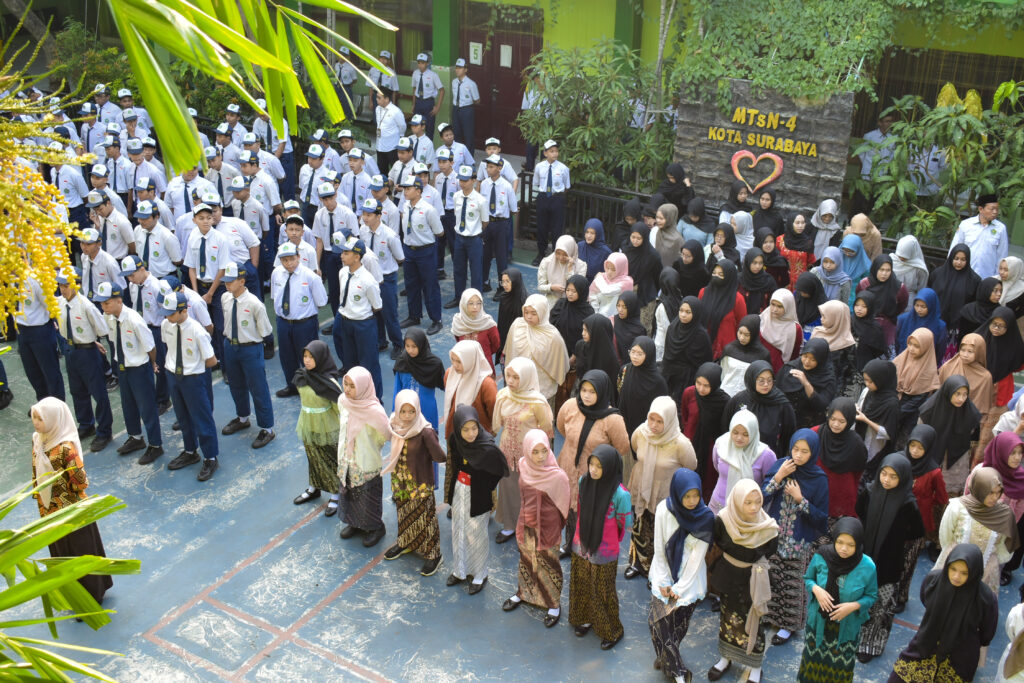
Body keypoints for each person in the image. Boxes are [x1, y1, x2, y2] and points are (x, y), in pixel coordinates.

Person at [30, 397, 113, 604]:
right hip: (50, 513)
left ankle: (92, 596)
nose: (36, 423)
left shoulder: (66, 448)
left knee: (80, 552)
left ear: (53, 419)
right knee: (62, 554)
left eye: (40, 418)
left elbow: (80, 482)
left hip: (73, 514)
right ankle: (73, 596)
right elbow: (35, 472)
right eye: (34, 417)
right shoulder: (37, 440)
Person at [890, 543, 998, 682]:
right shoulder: (934, 581)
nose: (956, 576)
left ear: (974, 573)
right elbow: (926, 600)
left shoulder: (985, 598)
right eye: (953, 569)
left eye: (964, 573)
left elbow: (987, 633)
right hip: (925, 645)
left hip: (959, 658)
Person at [762, 429, 829, 647]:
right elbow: (761, 497)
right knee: (771, 579)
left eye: (804, 451)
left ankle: (788, 625)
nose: (798, 455)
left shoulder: (819, 479)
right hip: (774, 538)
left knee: (793, 584)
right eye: (795, 449)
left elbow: (821, 518)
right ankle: (769, 615)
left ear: (813, 452)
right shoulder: (781, 466)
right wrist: (778, 476)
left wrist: (801, 500)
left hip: (799, 544)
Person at [855, 453, 924, 663]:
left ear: (902, 479)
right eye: (884, 473)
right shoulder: (869, 492)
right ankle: (854, 637)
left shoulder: (907, 504)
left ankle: (871, 644)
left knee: (881, 608)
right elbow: (859, 513)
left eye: (893, 477)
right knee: (859, 601)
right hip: (864, 559)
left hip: (889, 564)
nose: (886, 480)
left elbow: (917, 532)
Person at [708, 479, 779, 682]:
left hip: (753, 580)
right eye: (748, 502)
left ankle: (755, 666)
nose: (754, 507)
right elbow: (719, 541)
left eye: (758, 502)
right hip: (729, 575)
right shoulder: (723, 520)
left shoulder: (768, 528)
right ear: (737, 501)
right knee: (727, 618)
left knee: (754, 620)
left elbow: (770, 550)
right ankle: (725, 657)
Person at [647, 468, 713, 682]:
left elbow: (697, 558)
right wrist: (664, 581)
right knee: (657, 624)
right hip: (663, 574)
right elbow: (659, 547)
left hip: (689, 582)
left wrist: (679, 588)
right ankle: (678, 672)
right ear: (677, 493)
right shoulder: (663, 510)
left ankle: (667, 659)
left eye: (696, 495)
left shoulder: (705, 517)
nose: (692, 501)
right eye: (687, 496)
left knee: (677, 628)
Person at [556, 369, 630, 556]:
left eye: (592, 391)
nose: (586, 396)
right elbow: (561, 427)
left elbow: (622, 448)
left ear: (602, 392)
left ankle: (587, 549)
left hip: (594, 476)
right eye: (584, 390)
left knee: (590, 515)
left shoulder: (612, 419)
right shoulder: (570, 406)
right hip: (568, 468)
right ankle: (569, 544)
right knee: (569, 510)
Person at [798, 516, 878, 683]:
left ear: (858, 544)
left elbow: (871, 596)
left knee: (839, 671)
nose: (843, 548)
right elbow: (808, 578)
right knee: (812, 666)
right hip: (818, 625)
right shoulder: (821, 556)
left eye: (850, 545)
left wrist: (854, 606)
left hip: (845, 630)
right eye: (840, 542)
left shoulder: (867, 566)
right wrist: (816, 589)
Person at [568, 445, 633, 650]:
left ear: (610, 467)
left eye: (599, 466)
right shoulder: (584, 481)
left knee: (602, 589)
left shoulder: (620, 494)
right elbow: (581, 508)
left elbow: (624, 523)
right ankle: (584, 618)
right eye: (592, 464)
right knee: (582, 582)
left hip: (604, 550)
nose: (594, 470)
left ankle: (611, 630)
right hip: (581, 543)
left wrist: (608, 537)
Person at [503, 429, 569, 626]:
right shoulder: (524, 465)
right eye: (535, 452)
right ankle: (523, 593)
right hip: (526, 522)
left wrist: (554, 527)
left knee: (549, 563)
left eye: (544, 451)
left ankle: (553, 604)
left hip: (548, 526)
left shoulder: (557, 476)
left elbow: (564, 506)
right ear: (527, 450)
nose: (540, 457)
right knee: (526, 560)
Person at [626, 396, 697, 581]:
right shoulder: (641, 433)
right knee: (640, 526)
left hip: (664, 493)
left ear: (670, 420)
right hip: (642, 487)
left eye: (660, 421)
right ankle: (638, 563)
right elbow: (635, 449)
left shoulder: (680, 443)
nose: (654, 425)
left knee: (662, 532)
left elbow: (691, 466)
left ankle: (657, 572)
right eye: (652, 419)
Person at [95, 277, 164, 464]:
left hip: (139, 368)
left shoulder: (134, 320)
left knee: (147, 407)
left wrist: (152, 364)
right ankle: (135, 437)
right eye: (102, 303)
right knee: (128, 405)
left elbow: (150, 347)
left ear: (119, 301)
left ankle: (155, 445)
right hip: (123, 366)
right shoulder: (109, 318)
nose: (103, 307)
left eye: (107, 303)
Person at [382, 389, 446, 577]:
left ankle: (434, 554)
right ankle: (406, 542)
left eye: (412, 411)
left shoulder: (425, 431)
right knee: (404, 512)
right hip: (401, 481)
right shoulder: (395, 425)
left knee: (426, 517)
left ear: (418, 409)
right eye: (403, 411)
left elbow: (439, 456)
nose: (407, 416)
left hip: (420, 482)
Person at [492, 358, 554, 543]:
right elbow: (497, 423)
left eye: (516, 377)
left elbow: (546, 430)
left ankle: (531, 526)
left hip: (530, 456)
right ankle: (509, 525)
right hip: (507, 452)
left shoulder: (537, 402)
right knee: (508, 489)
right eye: (508, 376)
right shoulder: (503, 396)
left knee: (531, 491)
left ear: (526, 377)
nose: (510, 381)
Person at [446, 405, 508, 594]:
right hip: (460, 490)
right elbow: (454, 464)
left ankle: (480, 574)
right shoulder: (455, 441)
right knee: (458, 529)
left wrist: (485, 487)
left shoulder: (487, 448)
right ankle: (460, 570)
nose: (471, 433)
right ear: (458, 429)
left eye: (474, 428)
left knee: (477, 534)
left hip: (478, 495)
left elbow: (498, 471)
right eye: (465, 429)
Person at [158, 291, 219, 481]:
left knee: (202, 418)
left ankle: (210, 457)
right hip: (173, 375)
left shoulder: (197, 331)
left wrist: (193, 368)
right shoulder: (166, 325)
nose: (167, 317)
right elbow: (169, 346)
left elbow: (211, 360)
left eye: (171, 313)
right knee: (183, 417)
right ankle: (190, 451)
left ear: (183, 310)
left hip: (193, 378)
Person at [54, 268, 113, 452]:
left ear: (76, 285)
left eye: (66, 285)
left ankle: (104, 431)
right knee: (77, 391)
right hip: (70, 349)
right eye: (60, 285)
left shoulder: (86, 306)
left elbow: (102, 329)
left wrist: (93, 341)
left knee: (98, 393)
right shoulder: (60, 302)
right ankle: (86, 424)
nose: (63, 289)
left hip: (87, 352)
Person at [218, 262, 275, 449]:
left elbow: (265, 330)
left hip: (250, 348)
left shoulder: (254, 304)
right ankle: (242, 418)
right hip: (230, 346)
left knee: (258, 388)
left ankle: (267, 428)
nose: (227, 284)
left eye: (231, 281)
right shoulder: (225, 298)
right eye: (225, 281)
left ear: (242, 281)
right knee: (236, 385)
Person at [336, 366, 390, 547]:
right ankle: (355, 523)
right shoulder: (342, 401)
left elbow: (384, 435)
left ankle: (376, 527)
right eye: (346, 384)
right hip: (347, 459)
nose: (348, 389)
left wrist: (367, 447)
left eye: (353, 386)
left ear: (363, 387)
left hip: (365, 460)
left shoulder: (374, 411)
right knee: (350, 493)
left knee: (368, 495)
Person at [291, 341, 342, 514]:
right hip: (307, 424)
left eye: (311, 357)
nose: (306, 360)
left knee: (330, 461)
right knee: (312, 457)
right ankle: (314, 487)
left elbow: (340, 408)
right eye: (305, 356)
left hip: (326, 428)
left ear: (321, 358)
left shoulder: (329, 383)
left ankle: (336, 494)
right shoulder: (301, 377)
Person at [271, 242, 327, 398]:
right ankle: (293, 386)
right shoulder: (276, 273)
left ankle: (314, 387)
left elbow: (321, 301)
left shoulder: (310, 276)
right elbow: (275, 296)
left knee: (309, 357)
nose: (288, 263)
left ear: (298, 257)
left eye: (291, 259)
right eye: (284, 260)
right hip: (283, 322)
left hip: (304, 324)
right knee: (287, 356)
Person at [333, 236, 384, 400]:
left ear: (357, 257)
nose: (342, 256)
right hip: (346, 322)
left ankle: (375, 399)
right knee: (350, 363)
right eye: (342, 252)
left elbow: (377, 305)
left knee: (369, 365)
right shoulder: (342, 273)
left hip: (363, 325)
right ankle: (354, 397)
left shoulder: (368, 280)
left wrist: (360, 313)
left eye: (346, 253)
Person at [920, 375, 982, 496]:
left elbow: (973, 436)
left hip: (957, 460)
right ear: (948, 391)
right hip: (931, 455)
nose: (961, 399)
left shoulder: (970, 412)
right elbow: (921, 435)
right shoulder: (930, 410)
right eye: (957, 394)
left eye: (965, 394)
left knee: (950, 494)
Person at [358, 198, 404, 360]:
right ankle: (380, 341)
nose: (365, 218)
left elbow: (400, 257)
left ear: (379, 216)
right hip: (369, 278)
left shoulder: (390, 235)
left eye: (369, 215)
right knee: (374, 311)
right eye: (364, 214)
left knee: (389, 313)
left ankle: (398, 344)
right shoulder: (363, 230)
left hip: (386, 279)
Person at [504, 294, 570, 402]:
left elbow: (559, 365)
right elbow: (510, 352)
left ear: (543, 312)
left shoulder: (552, 336)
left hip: (542, 390)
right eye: (526, 312)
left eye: (534, 313)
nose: (529, 317)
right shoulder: (517, 326)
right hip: (517, 386)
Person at [709, 410, 778, 513]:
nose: (739, 438)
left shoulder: (765, 455)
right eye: (735, 432)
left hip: (749, 510)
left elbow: (770, 484)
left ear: (753, 433)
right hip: (719, 505)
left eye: (746, 434)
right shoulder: (721, 445)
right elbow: (716, 466)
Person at [400, 177, 444, 336]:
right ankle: (414, 315)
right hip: (409, 250)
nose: (405, 191)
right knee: (411, 284)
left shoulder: (428, 210)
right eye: (404, 189)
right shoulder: (405, 206)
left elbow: (439, 232)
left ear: (418, 191)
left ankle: (436, 319)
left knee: (430, 285)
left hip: (425, 251)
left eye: (408, 188)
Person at [979, 432, 1024, 585]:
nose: (1017, 457)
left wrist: (1004, 528)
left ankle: (1005, 570)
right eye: (1012, 453)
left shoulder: (1021, 479)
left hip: (1004, 530)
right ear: (1001, 452)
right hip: (979, 526)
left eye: (1020, 453)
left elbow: (1018, 511)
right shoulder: (983, 473)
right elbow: (969, 498)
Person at [817, 398, 868, 522]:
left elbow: (859, 471)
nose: (835, 424)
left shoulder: (856, 443)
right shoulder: (817, 433)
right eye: (833, 419)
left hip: (842, 497)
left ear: (850, 420)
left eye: (841, 421)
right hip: (818, 491)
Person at [446, 164, 487, 304]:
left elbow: (485, 221)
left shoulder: (480, 200)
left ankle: (476, 301)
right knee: (458, 269)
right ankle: (459, 297)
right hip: (459, 238)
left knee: (476, 272)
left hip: (474, 240)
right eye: (460, 180)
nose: (462, 183)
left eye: (465, 180)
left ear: (473, 180)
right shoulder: (456, 196)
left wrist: (474, 231)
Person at [930, 244, 981, 352]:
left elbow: (974, 304)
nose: (959, 262)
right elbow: (930, 294)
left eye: (963, 259)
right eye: (956, 258)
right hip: (936, 321)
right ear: (951, 257)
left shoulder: (974, 280)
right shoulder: (938, 274)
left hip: (958, 327)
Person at [660, 296, 713, 400]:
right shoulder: (673, 328)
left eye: (688, 312)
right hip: (670, 377)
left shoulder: (701, 335)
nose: (683, 315)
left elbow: (705, 364)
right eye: (681, 310)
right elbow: (667, 357)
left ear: (696, 313)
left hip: (690, 380)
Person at [777, 337, 836, 429]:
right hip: (786, 419)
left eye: (813, 359)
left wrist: (806, 384)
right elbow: (778, 391)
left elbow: (821, 404)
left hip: (809, 424)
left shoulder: (827, 378)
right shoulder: (790, 368)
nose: (807, 362)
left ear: (821, 360)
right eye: (805, 356)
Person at [893, 328, 940, 443]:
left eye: (917, 346)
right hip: (894, 405)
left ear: (925, 347)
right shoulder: (902, 358)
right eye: (910, 344)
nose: (911, 349)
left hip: (910, 415)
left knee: (902, 442)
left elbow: (918, 399)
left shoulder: (928, 370)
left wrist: (898, 413)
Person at [479, 155, 518, 294]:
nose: (488, 169)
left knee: (501, 257)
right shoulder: (484, 184)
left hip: (501, 224)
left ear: (499, 168)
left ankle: (502, 287)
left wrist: (503, 218)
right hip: (487, 223)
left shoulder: (506, 186)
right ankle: (484, 282)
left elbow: (513, 209)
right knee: (485, 255)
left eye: (491, 167)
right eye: (487, 167)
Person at [939, 333, 994, 427]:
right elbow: (939, 394)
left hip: (967, 422)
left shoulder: (985, 377)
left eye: (970, 351)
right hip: (944, 416)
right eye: (963, 350)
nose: (965, 355)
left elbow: (982, 408)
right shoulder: (948, 366)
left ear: (979, 352)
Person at [856, 359, 902, 467]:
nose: (867, 384)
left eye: (871, 381)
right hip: (861, 437)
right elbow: (861, 406)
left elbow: (888, 433)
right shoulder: (867, 391)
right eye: (865, 380)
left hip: (876, 446)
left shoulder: (891, 404)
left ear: (881, 380)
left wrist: (866, 420)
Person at [531, 139, 571, 265]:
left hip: (557, 198)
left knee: (557, 229)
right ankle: (541, 253)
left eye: (556, 151)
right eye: (552, 151)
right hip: (543, 198)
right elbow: (537, 182)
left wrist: (556, 195)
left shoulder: (563, 168)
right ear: (545, 153)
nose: (555, 154)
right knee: (541, 227)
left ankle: (556, 254)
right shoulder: (539, 167)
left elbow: (566, 186)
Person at [950, 193, 1007, 279]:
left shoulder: (1001, 228)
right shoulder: (966, 225)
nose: (995, 212)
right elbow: (954, 249)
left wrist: (996, 278)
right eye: (992, 209)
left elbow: (1002, 255)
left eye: (997, 209)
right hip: (963, 276)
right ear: (981, 209)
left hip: (986, 278)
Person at [700, 261, 746, 358]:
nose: (716, 277)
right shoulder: (703, 292)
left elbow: (741, 324)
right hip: (704, 345)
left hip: (726, 349)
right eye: (714, 273)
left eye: (721, 274)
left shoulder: (737, 299)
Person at [811, 300, 857, 396]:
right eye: (821, 316)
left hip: (832, 387)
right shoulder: (817, 332)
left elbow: (848, 373)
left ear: (836, 319)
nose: (821, 319)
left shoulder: (847, 343)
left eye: (825, 317)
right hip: (813, 381)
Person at [719, 315, 771, 396]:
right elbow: (723, 373)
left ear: (754, 334)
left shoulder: (763, 355)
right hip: (726, 393)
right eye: (740, 332)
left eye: (746, 335)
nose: (742, 338)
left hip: (748, 397)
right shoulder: (729, 349)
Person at [625, 224, 664, 331]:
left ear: (645, 238)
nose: (635, 241)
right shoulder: (626, 249)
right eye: (633, 237)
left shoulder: (653, 255)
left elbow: (658, 276)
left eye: (639, 238)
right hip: (627, 291)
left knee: (643, 327)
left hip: (646, 293)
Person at [537, 235, 587, 309]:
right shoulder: (546, 262)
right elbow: (540, 287)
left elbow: (578, 288)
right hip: (551, 304)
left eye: (565, 254)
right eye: (558, 253)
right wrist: (551, 287)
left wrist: (570, 269)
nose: (560, 257)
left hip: (572, 305)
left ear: (571, 251)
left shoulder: (581, 266)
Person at [895, 288, 947, 358]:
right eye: (917, 305)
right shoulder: (903, 320)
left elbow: (940, 351)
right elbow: (897, 343)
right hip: (904, 359)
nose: (919, 310)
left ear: (931, 306)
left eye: (923, 307)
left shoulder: (940, 326)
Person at [759, 288, 802, 371]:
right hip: (759, 365)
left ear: (788, 307)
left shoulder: (795, 329)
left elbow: (795, 355)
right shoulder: (763, 318)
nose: (774, 310)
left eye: (780, 306)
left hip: (779, 370)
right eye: (772, 304)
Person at [777, 212, 816, 288]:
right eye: (797, 223)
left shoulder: (808, 242)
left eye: (803, 223)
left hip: (800, 282)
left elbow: (810, 262)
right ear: (790, 223)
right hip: (783, 280)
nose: (800, 226)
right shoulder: (780, 240)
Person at [852, 292, 888, 374]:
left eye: (864, 306)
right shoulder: (850, 321)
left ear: (871, 307)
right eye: (857, 305)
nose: (859, 309)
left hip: (866, 364)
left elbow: (879, 349)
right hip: (849, 364)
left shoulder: (875, 328)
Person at [410, 53, 444, 138]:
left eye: (423, 63)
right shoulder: (415, 73)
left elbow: (442, 90)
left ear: (427, 63)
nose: (420, 65)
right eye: (419, 63)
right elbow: (414, 88)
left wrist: (437, 107)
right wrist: (413, 104)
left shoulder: (433, 75)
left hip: (428, 103)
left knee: (429, 129)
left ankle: (428, 146)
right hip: (418, 102)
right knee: (416, 127)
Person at [450, 58, 480, 154]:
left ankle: (469, 157)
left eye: (460, 68)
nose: (457, 70)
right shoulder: (454, 82)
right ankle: (458, 155)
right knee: (456, 133)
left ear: (465, 69)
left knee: (468, 134)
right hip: (456, 109)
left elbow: (477, 100)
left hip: (467, 110)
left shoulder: (471, 84)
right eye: (456, 68)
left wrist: (467, 103)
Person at [589, 253, 633, 317]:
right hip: (599, 316)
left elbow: (607, 291)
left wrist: (598, 278)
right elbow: (593, 296)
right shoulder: (603, 277)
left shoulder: (627, 282)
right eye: (607, 268)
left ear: (621, 268)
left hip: (617, 318)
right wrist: (595, 313)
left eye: (613, 269)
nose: (609, 272)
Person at [892, 235, 929, 309]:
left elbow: (921, 287)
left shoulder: (919, 268)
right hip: (892, 297)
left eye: (904, 256)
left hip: (909, 301)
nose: (901, 258)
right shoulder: (892, 260)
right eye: (899, 256)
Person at [738, 247, 776, 315]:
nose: (757, 266)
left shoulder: (768, 280)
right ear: (748, 262)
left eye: (760, 263)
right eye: (754, 263)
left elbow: (773, 302)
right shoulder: (739, 279)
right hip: (742, 318)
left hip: (763, 318)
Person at [578, 218, 613, 283]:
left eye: (592, 233)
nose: (588, 236)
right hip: (579, 284)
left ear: (598, 234)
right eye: (587, 232)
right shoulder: (580, 246)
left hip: (597, 285)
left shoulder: (606, 252)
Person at [794, 271, 827, 336]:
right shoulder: (797, 294)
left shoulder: (823, 305)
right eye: (800, 291)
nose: (802, 294)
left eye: (805, 292)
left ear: (812, 290)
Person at [653, 203, 685, 268]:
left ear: (670, 219)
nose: (658, 220)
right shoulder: (659, 232)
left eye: (661, 218)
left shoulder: (677, 240)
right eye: (657, 217)